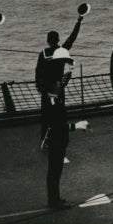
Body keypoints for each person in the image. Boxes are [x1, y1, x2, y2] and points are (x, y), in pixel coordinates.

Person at [43, 50, 89, 208]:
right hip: (57, 136)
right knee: (55, 170)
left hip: (56, 136)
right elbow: (58, 125)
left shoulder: (53, 84)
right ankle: (53, 201)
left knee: (56, 170)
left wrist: (69, 72)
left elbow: (61, 83)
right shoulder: (53, 92)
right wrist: (77, 126)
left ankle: (54, 198)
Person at [35, 9, 84, 140]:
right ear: (58, 40)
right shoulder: (62, 51)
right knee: (60, 112)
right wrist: (78, 21)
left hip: (46, 88)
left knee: (46, 114)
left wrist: (38, 87)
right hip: (58, 87)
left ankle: (45, 137)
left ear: (48, 41)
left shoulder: (43, 54)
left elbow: (38, 71)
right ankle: (61, 134)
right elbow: (72, 38)